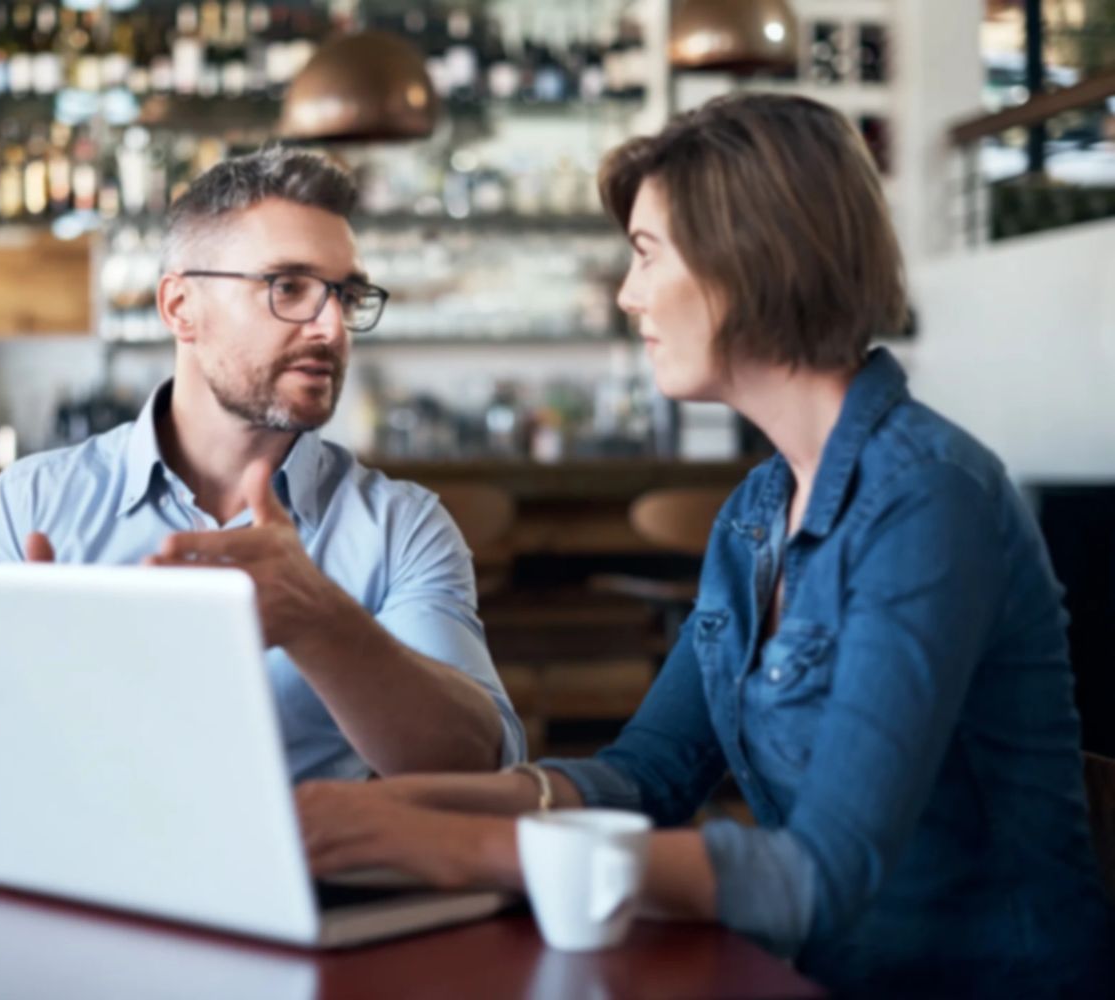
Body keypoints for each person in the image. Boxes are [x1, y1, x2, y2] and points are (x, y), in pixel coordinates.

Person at [296, 94, 1113, 997]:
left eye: (646, 254)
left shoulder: (928, 499)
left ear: (747, 258)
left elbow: (822, 873)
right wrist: (391, 805)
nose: (626, 294)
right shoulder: (760, 510)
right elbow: (648, 774)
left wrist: (462, 848)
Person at [0, 148, 525, 837]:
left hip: (308, 908)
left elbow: (481, 773)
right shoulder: (33, 505)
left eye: (345, 294)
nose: (332, 328)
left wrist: (319, 620)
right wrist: (43, 693)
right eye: (288, 287)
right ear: (180, 306)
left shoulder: (400, 525)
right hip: (82, 893)